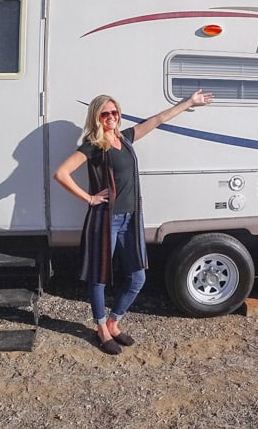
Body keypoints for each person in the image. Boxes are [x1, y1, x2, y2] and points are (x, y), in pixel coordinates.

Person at [54, 90, 213, 354]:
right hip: (105, 220)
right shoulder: (93, 146)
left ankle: (115, 321)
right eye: (105, 113)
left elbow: (158, 119)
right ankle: (102, 328)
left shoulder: (126, 139)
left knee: (138, 276)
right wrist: (90, 198)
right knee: (100, 277)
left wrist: (189, 103)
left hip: (131, 218)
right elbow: (61, 173)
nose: (111, 117)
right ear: (96, 117)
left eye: (115, 112)